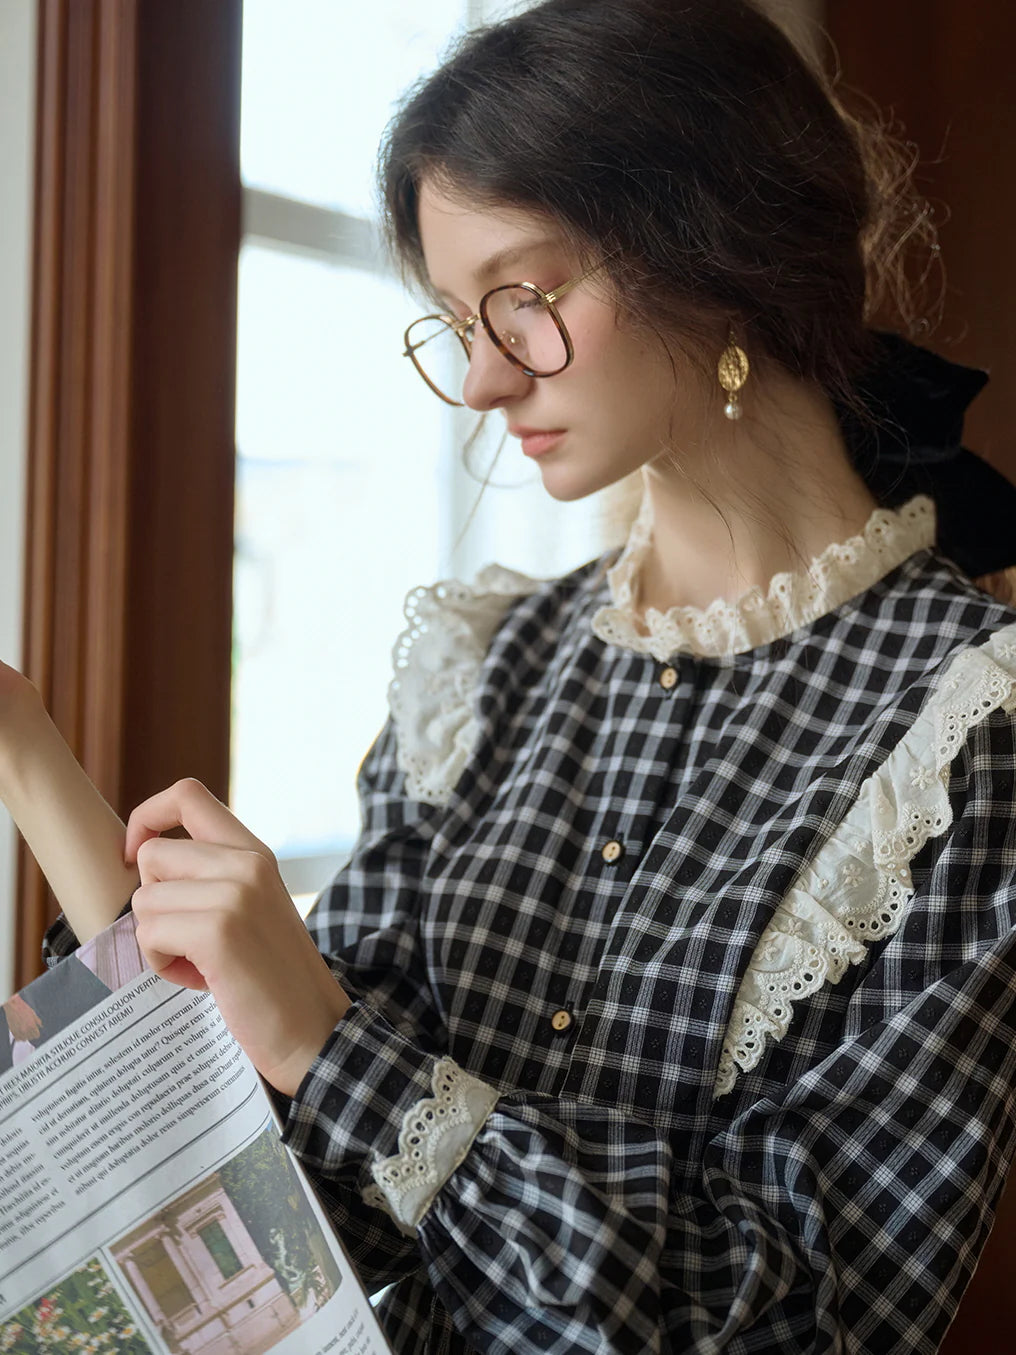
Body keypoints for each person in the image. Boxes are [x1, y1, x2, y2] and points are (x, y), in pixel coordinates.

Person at [4, 0, 1016, 1350]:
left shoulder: (964, 729)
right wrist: (27, 754)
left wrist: (333, 1047)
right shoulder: (481, 669)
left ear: (714, 249)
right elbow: (284, 1197)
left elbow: (796, 1317)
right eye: (454, 321)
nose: (480, 379)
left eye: (521, 300)